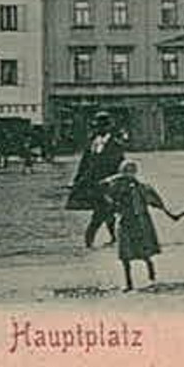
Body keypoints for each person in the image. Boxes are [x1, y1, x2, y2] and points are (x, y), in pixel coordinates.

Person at [99, 160, 172, 291]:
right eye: (126, 172)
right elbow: (103, 187)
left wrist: (167, 211)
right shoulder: (116, 185)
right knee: (125, 256)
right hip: (124, 222)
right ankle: (129, 283)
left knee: (142, 252)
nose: (128, 176)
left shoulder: (140, 187)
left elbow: (154, 199)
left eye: (130, 172)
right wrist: (113, 203)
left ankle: (150, 270)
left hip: (138, 223)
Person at [65, 111, 128, 248]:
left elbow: (120, 165)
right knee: (107, 212)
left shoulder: (116, 144)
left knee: (101, 212)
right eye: (98, 126)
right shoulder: (93, 142)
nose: (99, 129)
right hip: (93, 183)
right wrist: (77, 180)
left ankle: (89, 241)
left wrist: (118, 182)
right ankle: (112, 238)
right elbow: (84, 163)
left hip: (108, 183)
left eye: (102, 126)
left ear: (108, 127)